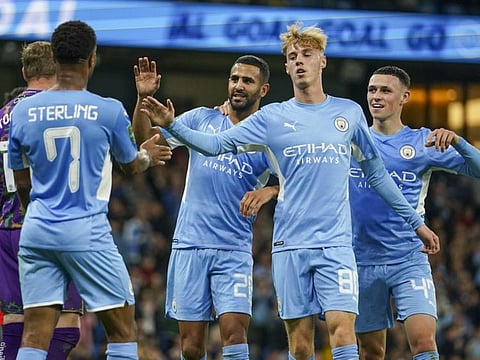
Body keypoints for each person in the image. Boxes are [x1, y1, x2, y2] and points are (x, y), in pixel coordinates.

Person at [139, 22, 440, 360]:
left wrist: (416, 222)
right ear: (285, 66)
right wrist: (172, 124)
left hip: (336, 245)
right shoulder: (272, 117)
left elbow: (378, 175)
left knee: (344, 334)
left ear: (322, 61)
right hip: (289, 246)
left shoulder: (349, 113)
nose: (299, 61)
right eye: (292, 56)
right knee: (300, 347)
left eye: (306, 55)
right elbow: (215, 145)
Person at [7, 20, 172, 360]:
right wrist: (148, 156)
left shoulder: (22, 111)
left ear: (55, 57)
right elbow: (130, 165)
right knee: (123, 331)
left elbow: (21, 179)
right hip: (87, 232)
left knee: (34, 335)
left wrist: (36, 210)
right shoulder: (107, 109)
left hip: (36, 231)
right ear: (92, 59)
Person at [131, 54, 277, 360]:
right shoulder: (201, 119)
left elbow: (299, 180)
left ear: (263, 90)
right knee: (192, 346)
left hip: (233, 250)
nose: (238, 86)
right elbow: (145, 142)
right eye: (234, 78)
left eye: (247, 81)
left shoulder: (269, 139)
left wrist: (269, 190)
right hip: (190, 245)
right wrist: (143, 100)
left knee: (234, 333)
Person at [349, 66, 480, 360]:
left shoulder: (422, 143)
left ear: (405, 97)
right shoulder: (351, 142)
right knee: (371, 351)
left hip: (408, 257)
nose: (376, 96)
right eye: (372, 90)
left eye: (385, 90)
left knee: (423, 343)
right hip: (360, 260)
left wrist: (458, 141)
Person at [0, 41, 83, 360]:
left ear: (24, 72)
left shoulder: (3, 115)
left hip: (8, 227)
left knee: (15, 319)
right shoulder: (62, 110)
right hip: (52, 225)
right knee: (64, 319)